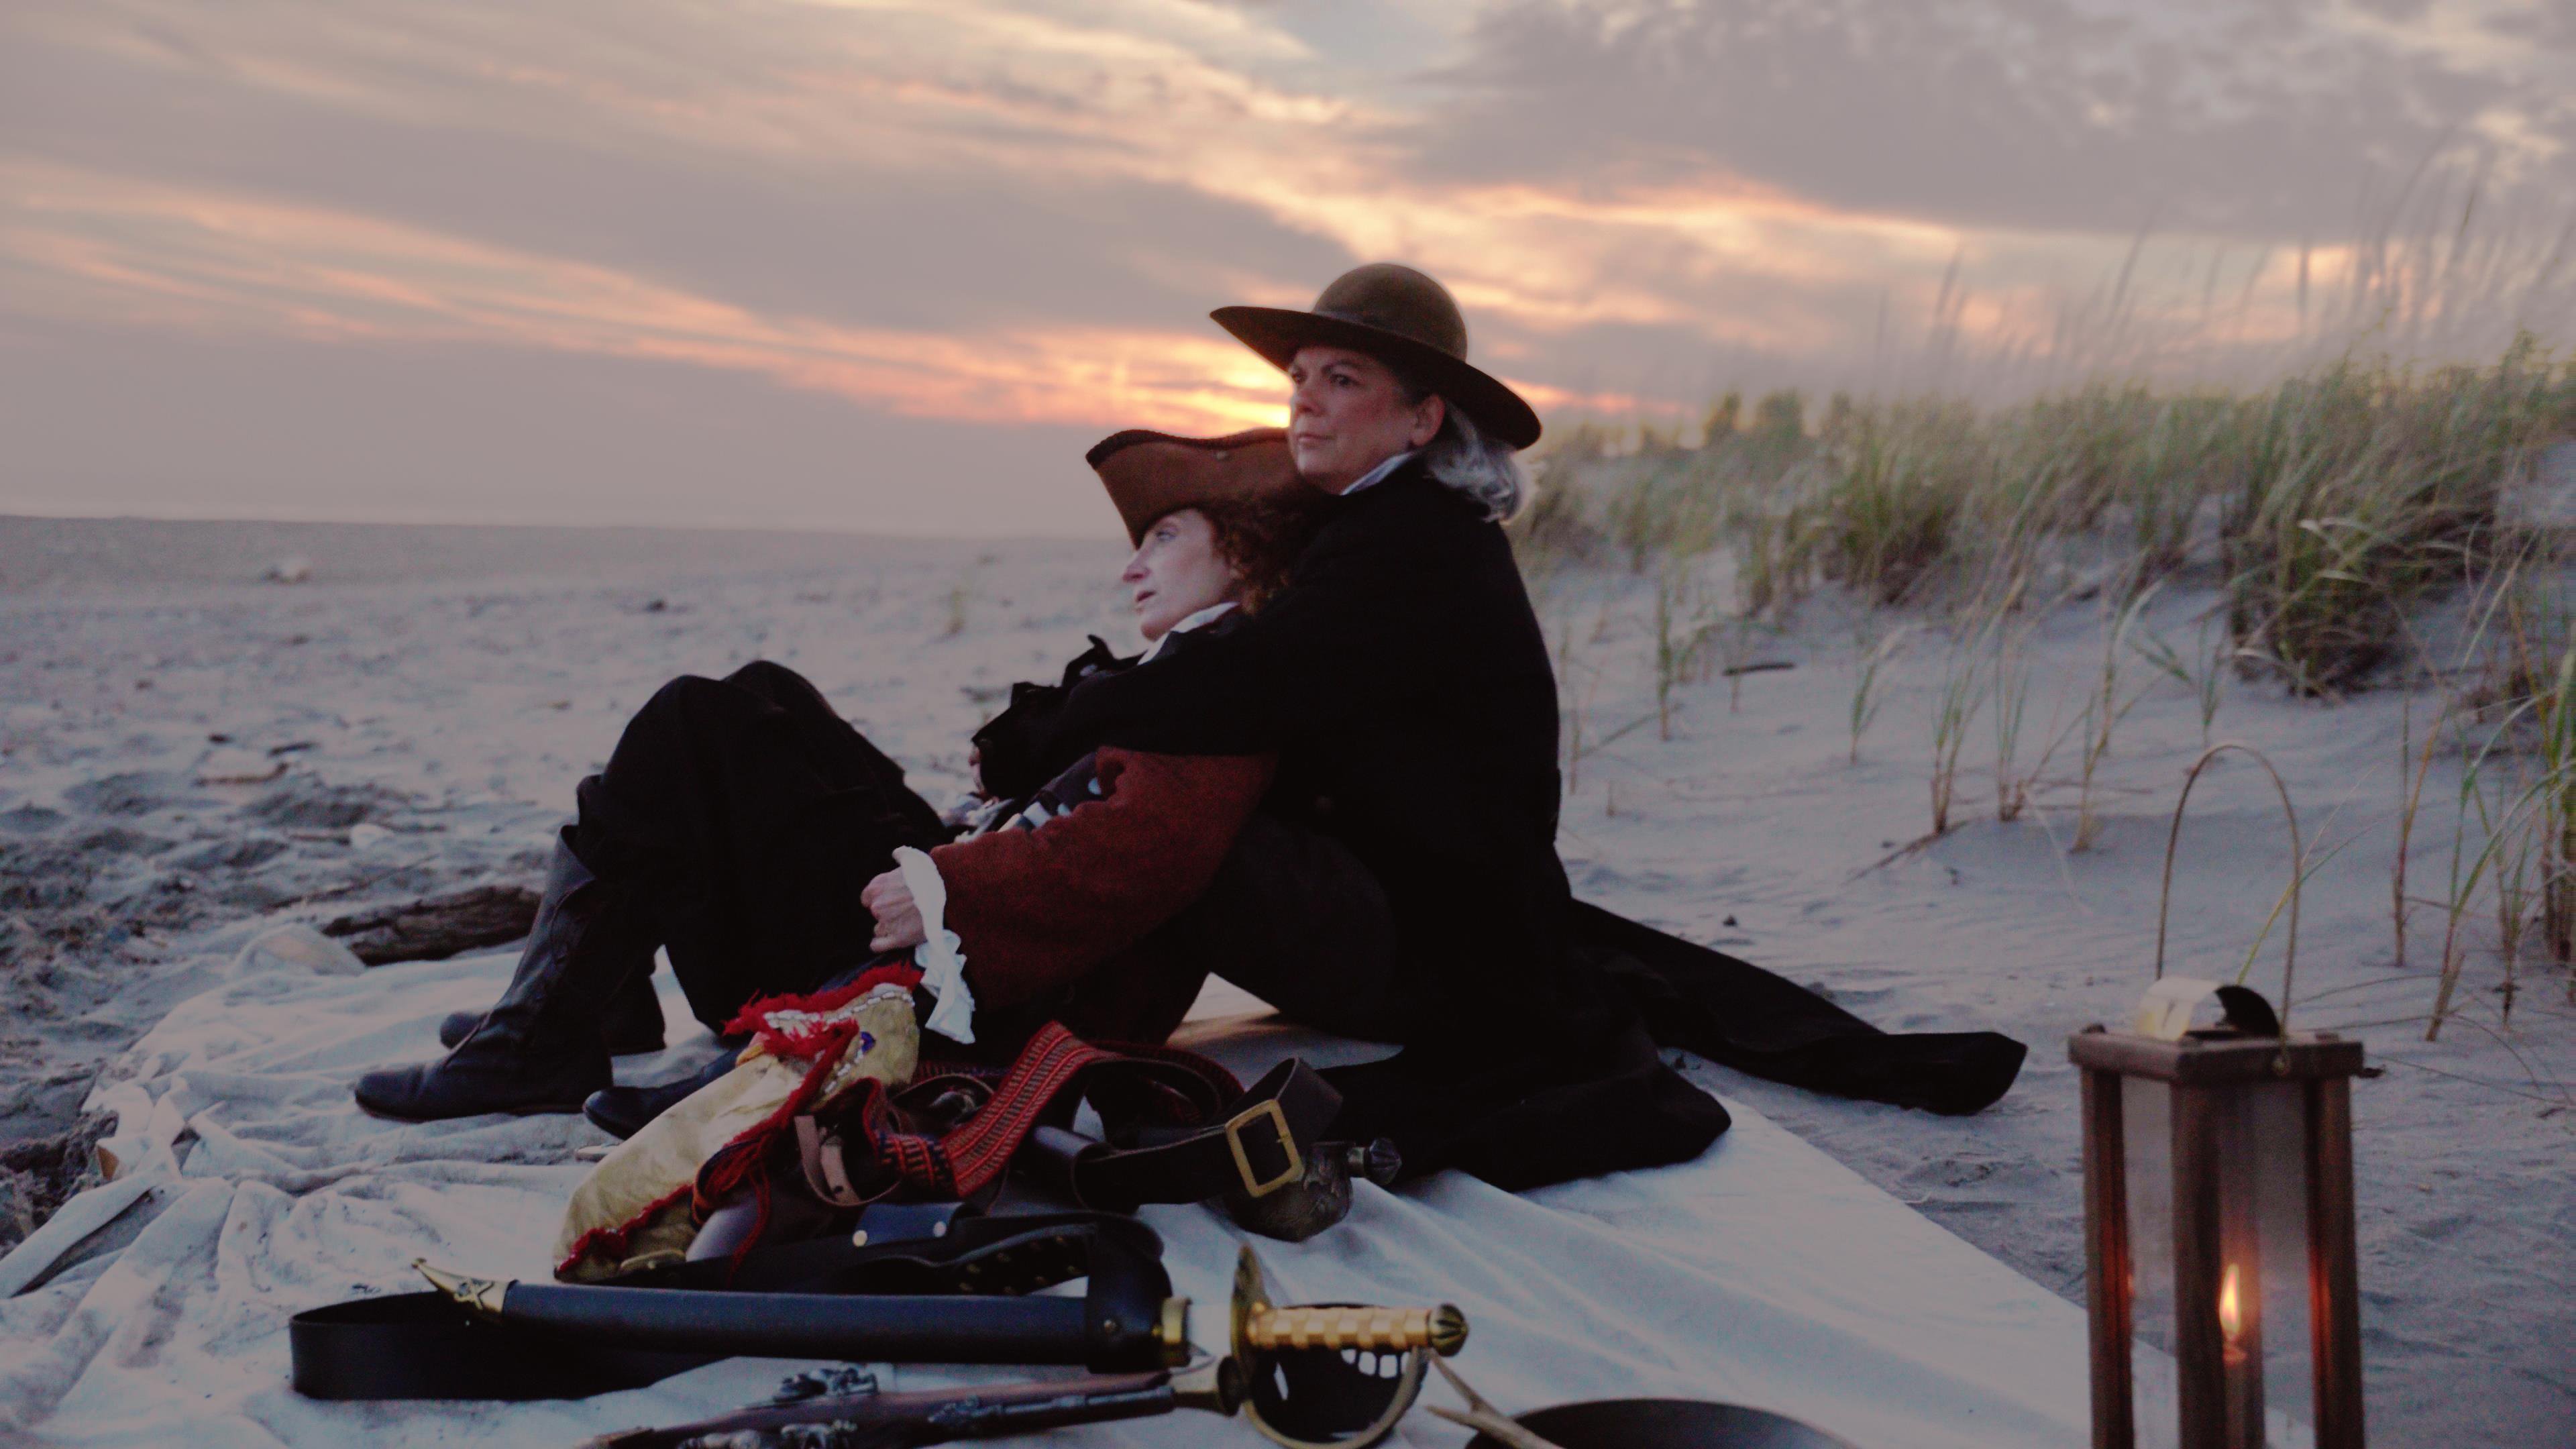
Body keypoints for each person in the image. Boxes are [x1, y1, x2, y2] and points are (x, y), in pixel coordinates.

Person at [352, 429, 1352, 1121]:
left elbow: (1150, 851)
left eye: (1165, 537)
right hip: (951, 936)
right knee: (764, 690)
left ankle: (552, 1029)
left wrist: (947, 882)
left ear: (1248, 559)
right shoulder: (1188, 675)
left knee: (697, 717)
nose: (1134, 567)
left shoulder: (1227, 688)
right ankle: (586, 1002)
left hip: (957, 988)